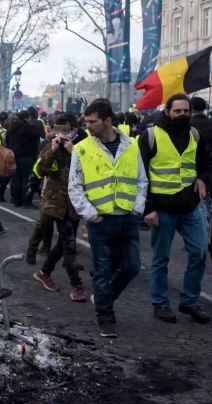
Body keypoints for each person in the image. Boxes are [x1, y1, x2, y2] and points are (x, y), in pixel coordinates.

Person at [68, 98, 148, 338]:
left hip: (127, 217)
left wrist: (137, 209)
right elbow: (74, 186)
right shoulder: (82, 148)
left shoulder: (132, 146)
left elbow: (142, 180)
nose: (88, 126)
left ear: (108, 121)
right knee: (102, 270)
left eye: (93, 121)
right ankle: (105, 316)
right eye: (87, 121)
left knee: (132, 266)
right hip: (100, 220)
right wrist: (91, 215)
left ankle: (103, 297)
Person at [139, 93, 211, 324]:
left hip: (190, 205)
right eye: (177, 110)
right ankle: (160, 304)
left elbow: (205, 162)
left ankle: (189, 302)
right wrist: (147, 208)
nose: (182, 114)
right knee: (161, 258)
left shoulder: (195, 134)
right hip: (161, 207)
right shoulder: (150, 135)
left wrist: (202, 178)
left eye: (185, 111)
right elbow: (139, 174)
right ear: (168, 111)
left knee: (199, 252)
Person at [32, 114, 87, 302]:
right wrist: (53, 149)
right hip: (56, 203)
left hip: (75, 203)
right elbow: (40, 170)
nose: (62, 134)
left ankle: (44, 272)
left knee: (64, 242)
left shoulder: (82, 148)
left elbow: (89, 171)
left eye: (66, 130)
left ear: (74, 131)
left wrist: (74, 153)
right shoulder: (50, 147)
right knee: (69, 243)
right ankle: (77, 285)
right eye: (58, 129)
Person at [6, 110, 45, 208]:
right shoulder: (27, 127)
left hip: (13, 155)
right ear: (27, 118)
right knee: (26, 179)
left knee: (16, 179)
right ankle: (26, 202)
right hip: (26, 156)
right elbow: (39, 134)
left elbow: (7, 140)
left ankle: (16, 201)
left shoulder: (11, 128)